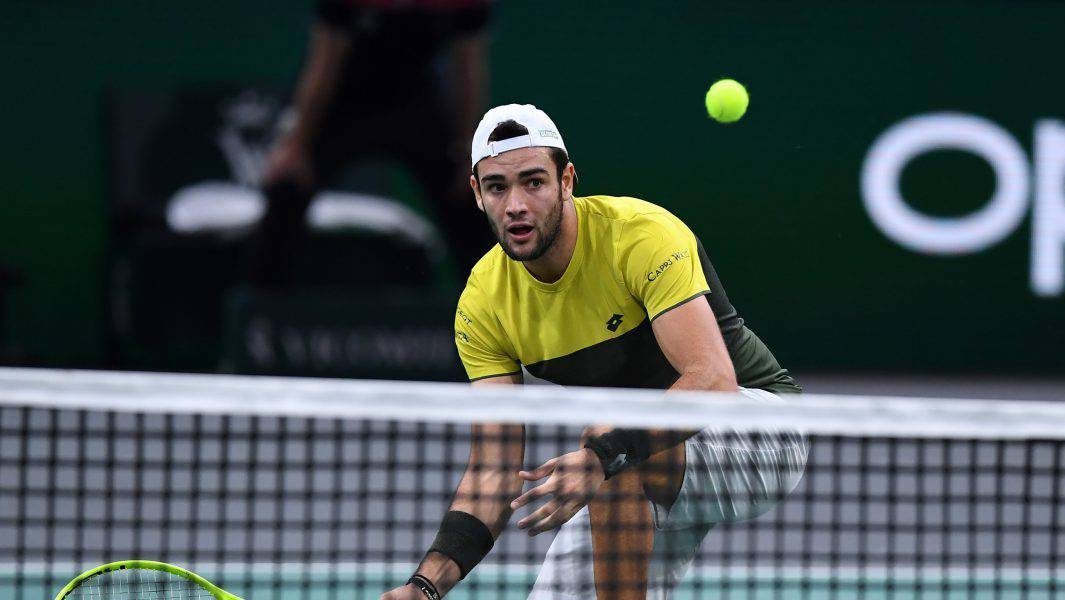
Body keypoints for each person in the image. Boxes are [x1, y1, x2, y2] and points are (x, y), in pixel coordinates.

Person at [381, 104, 808, 600]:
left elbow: (713, 381)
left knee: (611, 439)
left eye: (534, 182)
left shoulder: (640, 236)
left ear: (567, 180)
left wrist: (604, 455)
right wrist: (425, 585)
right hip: (632, 459)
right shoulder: (483, 303)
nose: (516, 204)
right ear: (477, 194)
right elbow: (493, 470)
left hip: (758, 428)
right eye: (498, 187)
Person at [249, 0, 495, 286]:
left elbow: (468, 68)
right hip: (343, 102)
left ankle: (499, 317)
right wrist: (296, 145)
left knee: (471, 192)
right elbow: (324, 64)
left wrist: (467, 149)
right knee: (288, 186)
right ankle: (260, 315)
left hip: (414, 101)